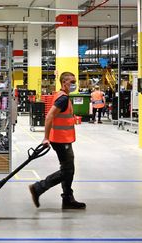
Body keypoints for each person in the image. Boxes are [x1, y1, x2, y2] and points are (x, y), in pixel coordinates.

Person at [29, 72, 86, 210]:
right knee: (67, 170)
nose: (74, 84)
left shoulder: (62, 96)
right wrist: (45, 137)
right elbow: (49, 117)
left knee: (68, 169)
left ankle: (67, 198)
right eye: (72, 82)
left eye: (75, 81)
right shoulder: (63, 99)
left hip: (62, 138)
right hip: (61, 140)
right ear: (63, 83)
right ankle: (38, 188)